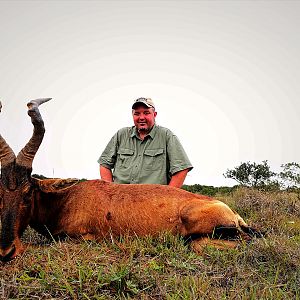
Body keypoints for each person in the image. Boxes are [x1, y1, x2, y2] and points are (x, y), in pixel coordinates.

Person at [98, 97, 193, 188]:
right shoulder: (121, 135)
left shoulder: (166, 136)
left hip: (154, 201)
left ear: (154, 114)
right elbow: (104, 164)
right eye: (137, 113)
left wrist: (168, 197)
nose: (141, 117)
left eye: (146, 113)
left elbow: (182, 169)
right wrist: (110, 193)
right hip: (121, 200)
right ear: (132, 115)